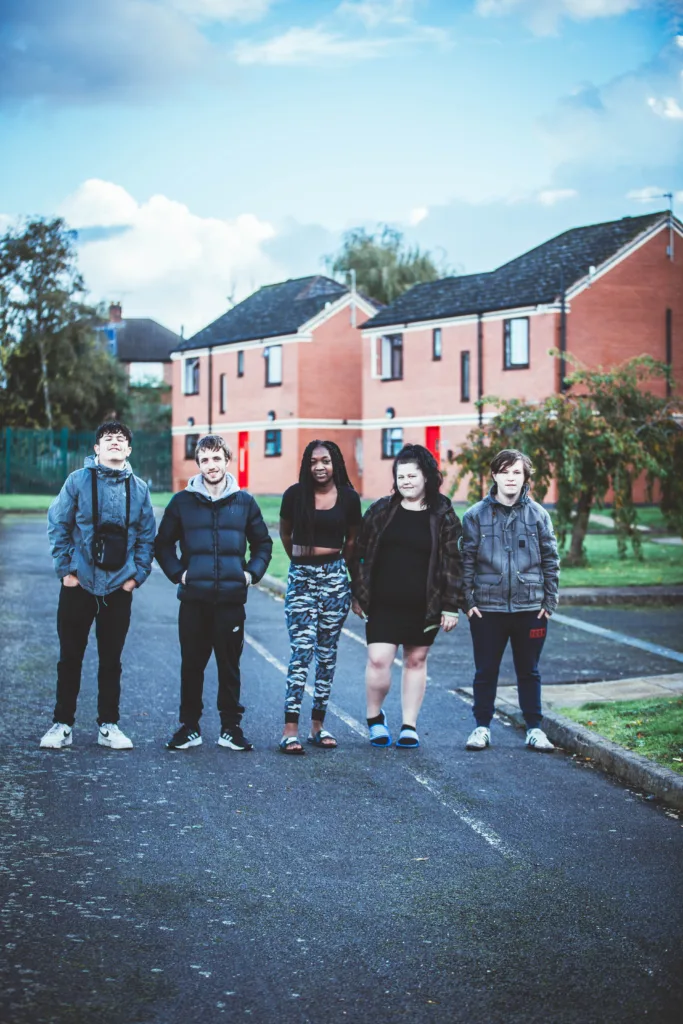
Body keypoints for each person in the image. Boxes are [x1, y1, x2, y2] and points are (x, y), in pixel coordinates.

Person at [41, 421, 156, 750]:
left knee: (111, 661)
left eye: (121, 440)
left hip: (119, 587)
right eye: (109, 439)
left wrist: (136, 577)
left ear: (129, 450)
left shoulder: (140, 489)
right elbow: (58, 523)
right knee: (70, 658)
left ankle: (109, 725)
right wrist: (66, 570)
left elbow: (147, 536)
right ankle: (62, 724)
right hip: (79, 584)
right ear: (97, 448)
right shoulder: (77, 481)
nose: (115, 443)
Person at [155, 434, 272, 752]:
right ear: (198, 464)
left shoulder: (244, 502)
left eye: (216, 458)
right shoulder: (182, 502)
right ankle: (189, 727)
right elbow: (162, 544)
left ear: (227, 460)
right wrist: (179, 574)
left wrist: (251, 574)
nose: (211, 465)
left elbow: (263, 544)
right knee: (191, 665)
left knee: (229, 666)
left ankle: (231, 728)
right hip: (194, 601)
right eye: (205, 459)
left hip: (231, 601)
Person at [351, 443, 462, 749]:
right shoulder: (381, 511)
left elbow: (454, 562)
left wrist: (451, 606)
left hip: (425, 605)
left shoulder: (444, 515)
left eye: (412, 475)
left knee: (416, 659)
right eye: (401, 476)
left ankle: (409, 725)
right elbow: (358, 553)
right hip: (383, 603)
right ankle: (375, 719)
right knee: (378, 660)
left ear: (427, 477)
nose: (406, 481)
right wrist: (357, 593)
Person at [460, 448, 560, 753]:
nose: (510, 478)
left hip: (530, 607)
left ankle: (534, 730)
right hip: (486, 609)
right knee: (485, 670)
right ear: (494, 476)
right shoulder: (475, 515)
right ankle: (481, 728)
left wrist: (549, 602)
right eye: (504, 471)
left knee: (529, 670)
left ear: (525, 477)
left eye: (516, 472)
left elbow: (550, 560)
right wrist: (467, 601)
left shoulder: (538, 515)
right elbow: (465, 561)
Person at [278, 440, 361, 754]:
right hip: (301, 579)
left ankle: (317, 726)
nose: (319, 467)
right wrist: (301, 562)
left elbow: (353, 541)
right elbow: (285, 534)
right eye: (313, 461)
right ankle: (289, 729)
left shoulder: (349, 498)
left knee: (327, 656)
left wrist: (352, 587)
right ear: (306, 464)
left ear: (335, 463)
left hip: (335, 581)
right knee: (301, 652)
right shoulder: (294, 495)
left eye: (325, 461)